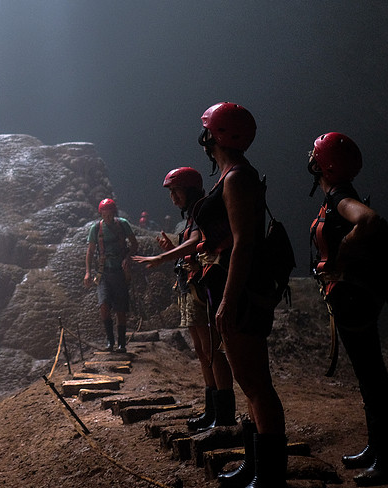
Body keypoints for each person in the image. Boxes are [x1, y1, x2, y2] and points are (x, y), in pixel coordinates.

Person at [137, 102, 287, 487]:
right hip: (232, 288)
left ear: (214, 136)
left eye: (206, 131)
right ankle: (256, 466)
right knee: (249, 382)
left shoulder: (236, 178)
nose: (202, 138)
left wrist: (228, 300)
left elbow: (243, 244)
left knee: (256, 384)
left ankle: (269, 475)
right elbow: (216, 238)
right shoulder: (230, 176)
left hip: (240, 291)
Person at [308, 132, 388, 486]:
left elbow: (369, 220)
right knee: (368, 376)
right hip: (354, 297)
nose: (310, 159)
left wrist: (343, 251)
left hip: (355, 299)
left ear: (325, 165)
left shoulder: (341, 198)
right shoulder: (336, 196)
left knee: (373, 377)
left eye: (316, 155)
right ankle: (376, 448)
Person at [137, 166, 237, 433]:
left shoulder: (201, 210)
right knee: (203, 351)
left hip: (202, 287)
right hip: (191, 286)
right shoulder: (194, 213)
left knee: (212, 350)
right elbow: (194, 245)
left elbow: (196, 242)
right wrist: (173, 251)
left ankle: (223, 415)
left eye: (176, 190)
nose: (173, 197)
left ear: (190, 189)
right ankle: (212, 410)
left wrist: (162, 257)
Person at [84, 198, 139, 352]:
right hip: (103, 273)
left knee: (121, 309)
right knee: (103, 305)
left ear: (113, 212)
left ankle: (121, 343)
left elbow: (134, 244)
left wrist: (128, 258)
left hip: (120, 272)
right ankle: (110, 341)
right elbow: (90, 251)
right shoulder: (96, 228)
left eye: (109, 214)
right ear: (100, 213)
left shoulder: (122, 224)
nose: (107, 217)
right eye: (104, 214)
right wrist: (88, 272)